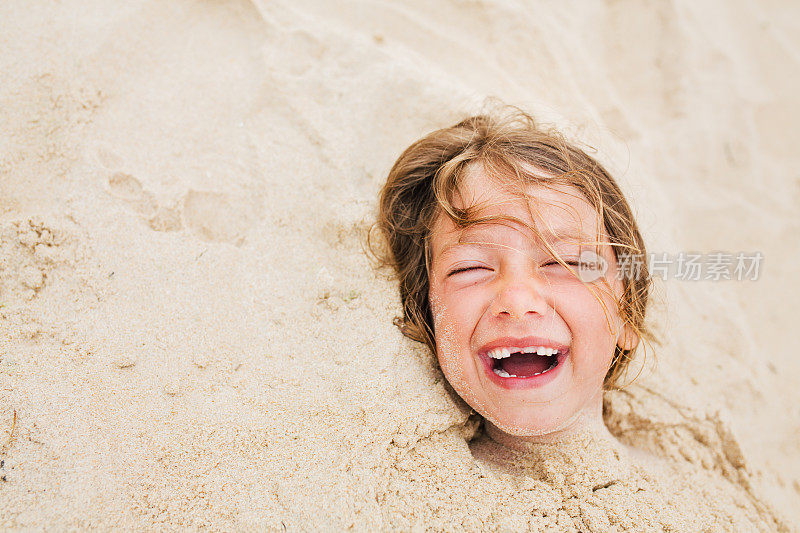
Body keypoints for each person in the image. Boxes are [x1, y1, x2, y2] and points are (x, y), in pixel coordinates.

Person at [372, 104, 660, 471]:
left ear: (627, 315)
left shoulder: (703, 487)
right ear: (427, 315)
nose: (518, 300)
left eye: (564, 262)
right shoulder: (397, 487)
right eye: (470, 268)